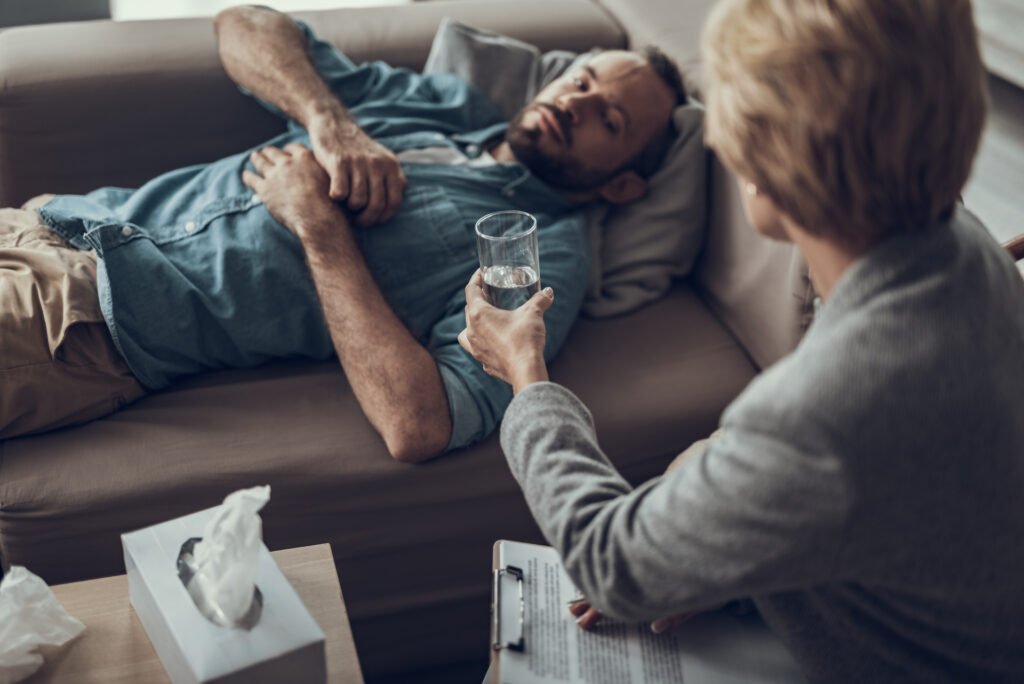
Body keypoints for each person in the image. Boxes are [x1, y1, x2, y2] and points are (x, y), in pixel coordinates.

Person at [459, 0, 1024, 680]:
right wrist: (741, 553)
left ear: (762, 156)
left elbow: (610, 565)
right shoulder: (964, 243)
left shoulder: (825, 407)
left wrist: (526, 374)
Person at [0, 6, 684, 461]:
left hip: (85, 321)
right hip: (45, 221)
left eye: (610, 120)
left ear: (621, 185)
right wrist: (331, 122)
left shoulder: (532, 254)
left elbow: (423, 425)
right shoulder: (449, 107)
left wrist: (318, 227)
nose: (575, 100)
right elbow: (246, 23)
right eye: (583, 79)